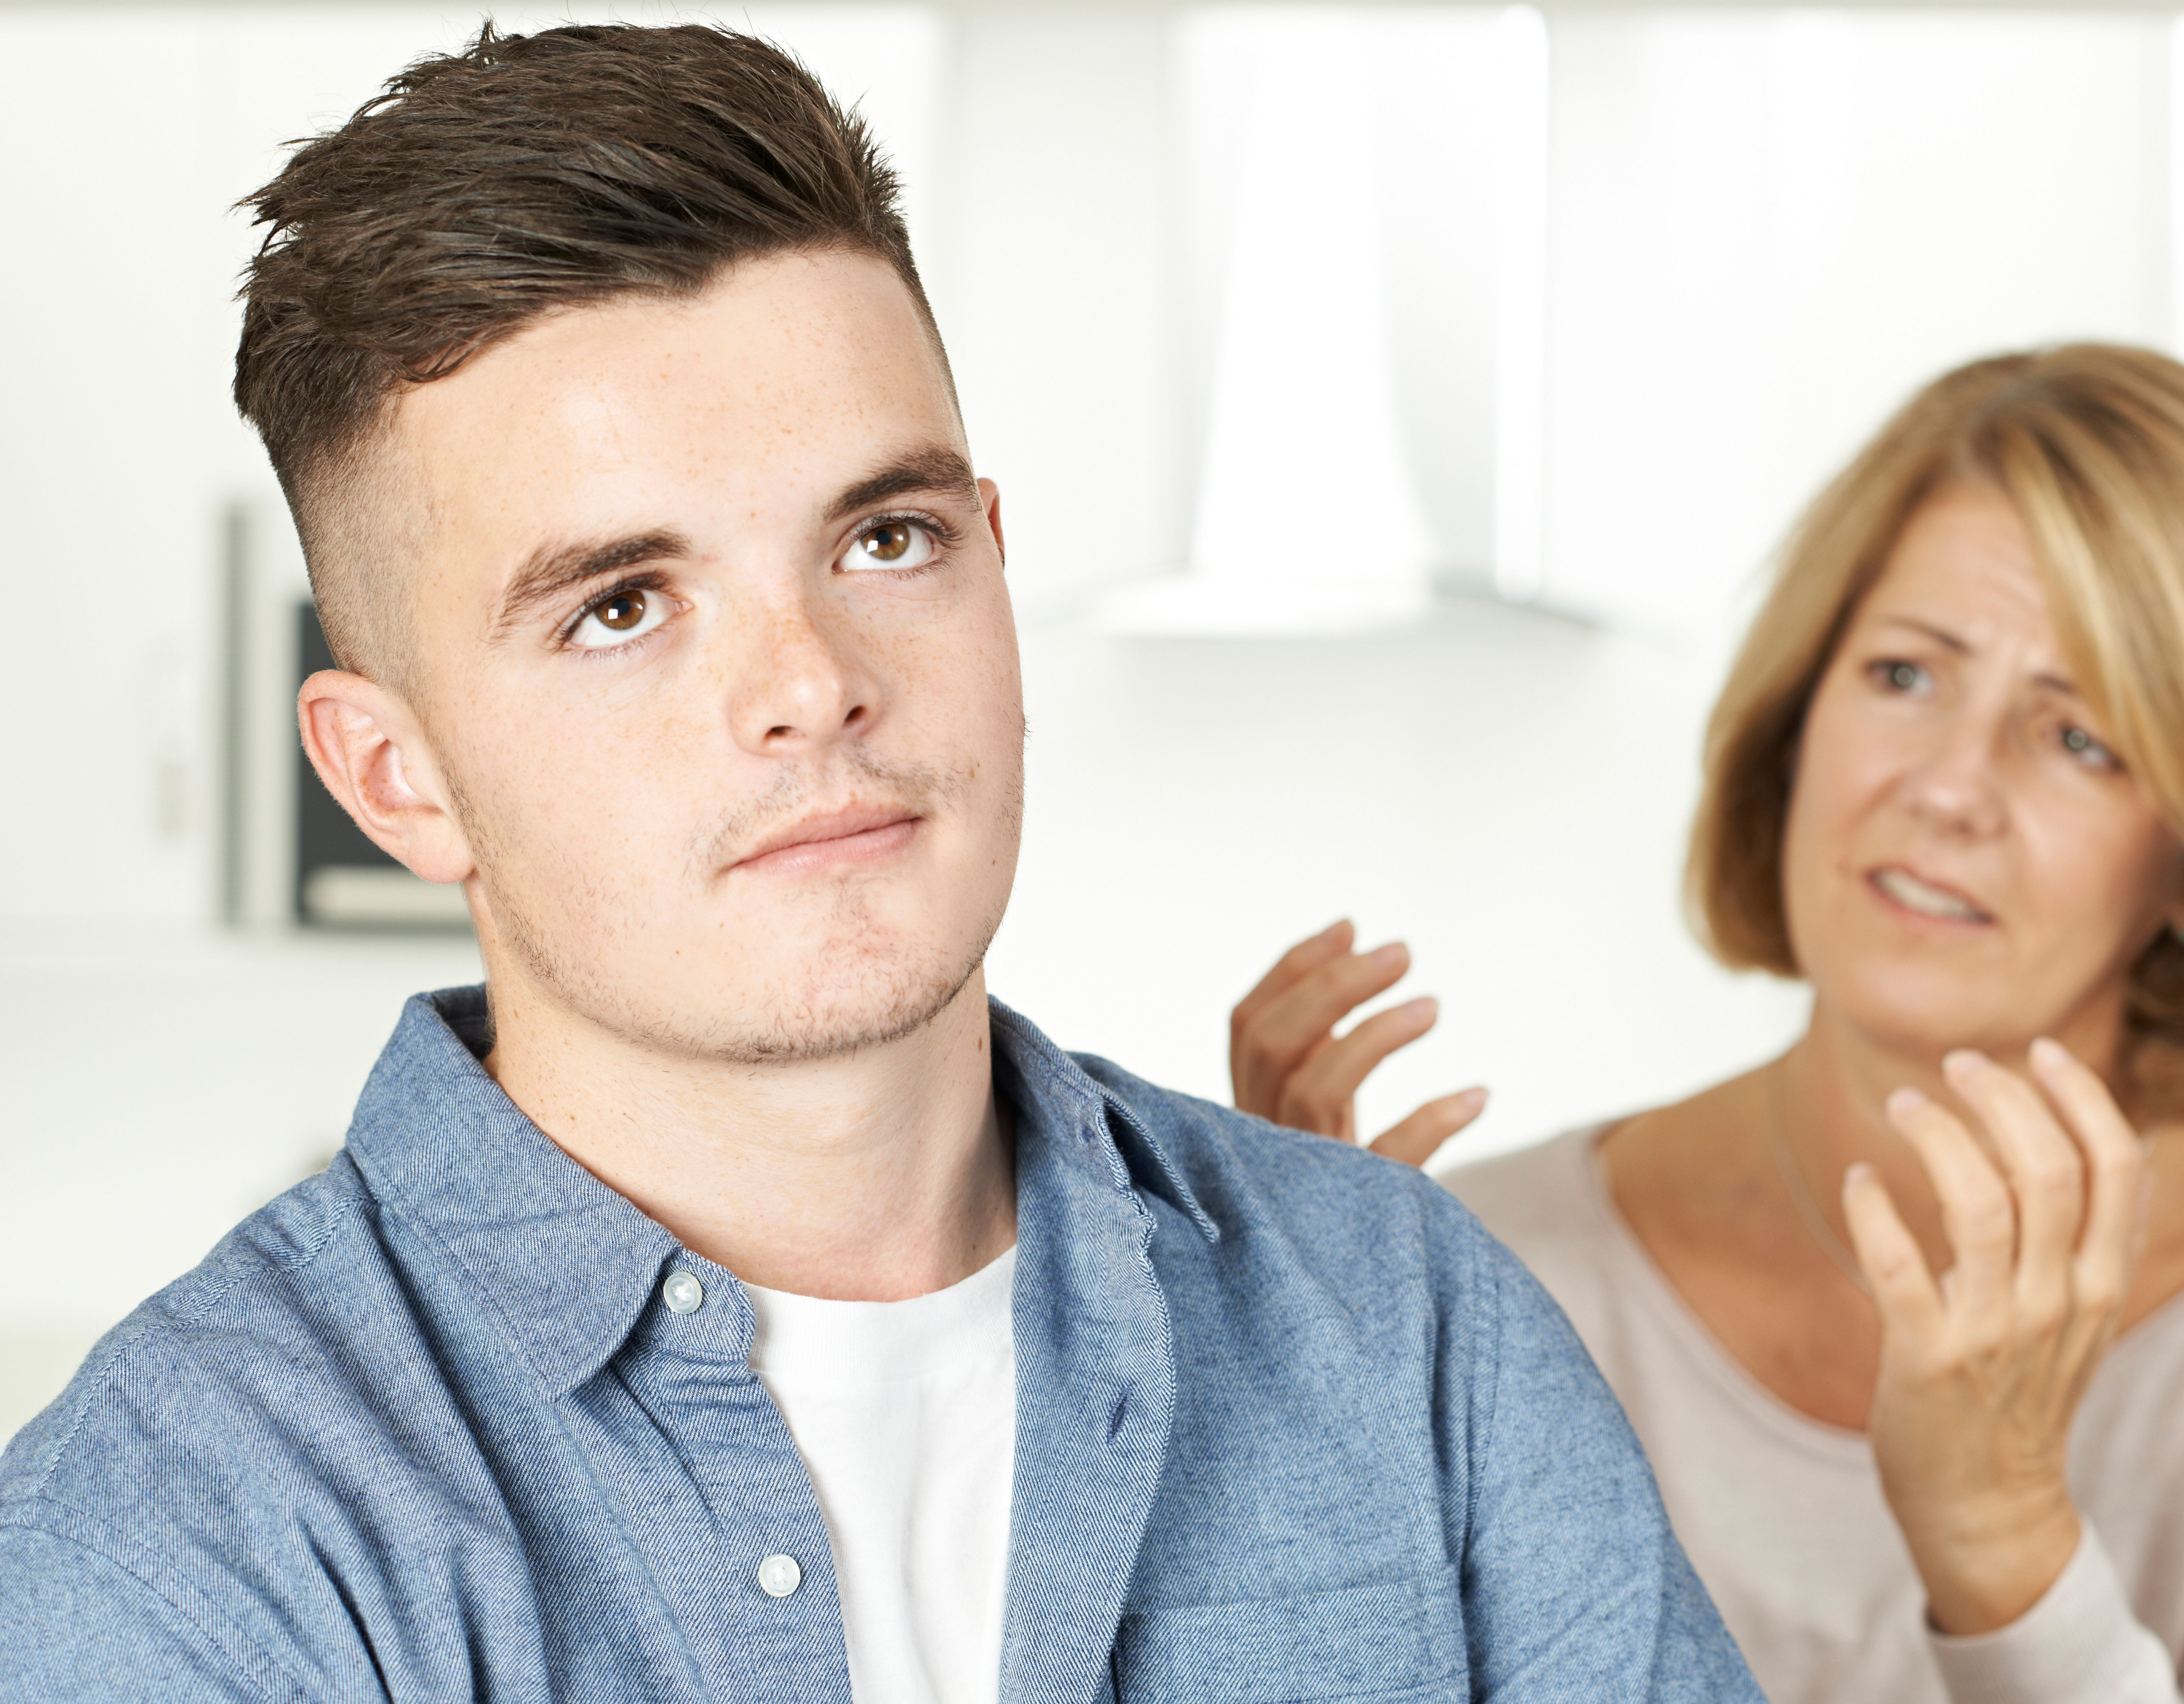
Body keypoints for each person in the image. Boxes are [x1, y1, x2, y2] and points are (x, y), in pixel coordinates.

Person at [0, 24, 1762, 1702]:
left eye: (886, 536)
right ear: (396, 779)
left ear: (994, 558)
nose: (812, 687)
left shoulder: (1401, 1324)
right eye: (621, 605)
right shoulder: (188, 1539)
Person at [1232, 346, 2184, 1703]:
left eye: (2082, 738)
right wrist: (1304, 1421)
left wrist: (2006, 1541)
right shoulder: (1491, 1268)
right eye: (1906, 676)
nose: (1950, 789)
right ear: (1798, 721)